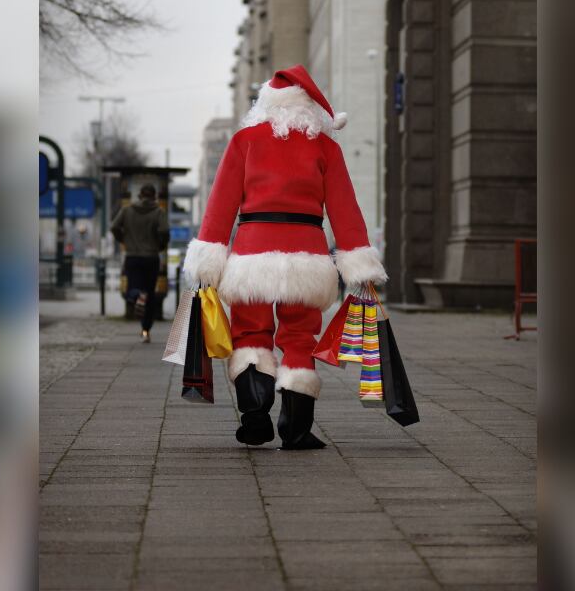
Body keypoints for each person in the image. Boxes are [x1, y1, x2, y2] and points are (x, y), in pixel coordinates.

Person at [184, 65, 386, 450]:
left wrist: (208, 255)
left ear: (266, 105)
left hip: (251, 255)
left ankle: (255, 414)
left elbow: (221, 202)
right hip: (307, 255)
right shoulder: (325, 147)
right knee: (299, 338)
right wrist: (359, 263)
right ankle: (296, 429)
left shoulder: (245, 140)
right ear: (308, 107)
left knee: (251, 332)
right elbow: (345, 209)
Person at [111, 184, 169, 342]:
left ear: (139, 195)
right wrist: (161, 245)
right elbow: (164, 231)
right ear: (155, 196)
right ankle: (146, 330)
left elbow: (114, 226)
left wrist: (123, 239)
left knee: (132, 288)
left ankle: (137, 294)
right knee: (150, 294)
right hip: (151, 258)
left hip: (132, 257)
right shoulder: (159, 212)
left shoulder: (127, 210)